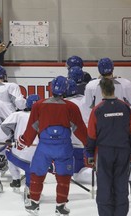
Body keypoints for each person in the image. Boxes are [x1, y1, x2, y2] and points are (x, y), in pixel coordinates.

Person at [18, 76, 87, 216]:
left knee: (37, 174)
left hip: (44, 147)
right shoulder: (71, 106)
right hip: (64, 147)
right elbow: (80, 129)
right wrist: (90, 145)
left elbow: (31, 129)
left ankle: (34, 204)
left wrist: (24, 141)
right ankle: (60, 207)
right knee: (64, 176)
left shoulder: (38, 105)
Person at [83, 57, 131, 196]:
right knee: (130, 152)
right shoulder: (125, 83)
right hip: (121, 124)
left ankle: (105, 188)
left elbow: (87, 107)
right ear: (113, 68)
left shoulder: (92, 85)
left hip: (101, 126)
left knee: (102, 155)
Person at [85, 78, 131, 216]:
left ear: (102, 91)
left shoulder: (97, 110)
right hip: (123, 151)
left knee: (104, 186)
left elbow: (91, 134)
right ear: (114, 89)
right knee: (121, 185)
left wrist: (89, 153)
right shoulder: (125, 107)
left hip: (104, 152)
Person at [0, 94, 40, 204]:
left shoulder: (18, 115)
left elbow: (4, 127)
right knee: (32, 171)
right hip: (39, 155)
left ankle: (16, 179)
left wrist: (9, 137)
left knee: (7, 150)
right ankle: (29, 187)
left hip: (20, 153)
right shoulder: (46, 117)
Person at [0, 65, 27, 175]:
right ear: (5, 75)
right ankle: (15, 167)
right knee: (11, 142)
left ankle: (0, 157)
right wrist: (25, 101)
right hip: (9, 118)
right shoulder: (11, 86)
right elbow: (20, 104)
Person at [65, 79, 92, 184]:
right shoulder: (87, 99)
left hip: (75, 144)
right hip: (91, 140)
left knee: (74, 175)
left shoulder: (66, 104)